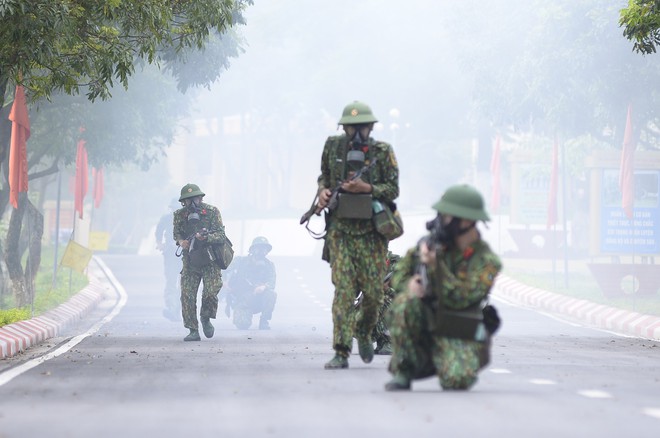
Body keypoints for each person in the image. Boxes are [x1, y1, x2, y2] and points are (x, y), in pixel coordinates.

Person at [385, 184, 502, 391]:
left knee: (456, 381)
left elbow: (461, 297)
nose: (441, 221)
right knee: (404, 303)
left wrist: (435, 266)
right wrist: (409, 285)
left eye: (446, 216)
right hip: (425, 321)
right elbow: (400, 273)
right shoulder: (432, 245)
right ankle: (405, 369)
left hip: (457, 328)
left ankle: (445, 360)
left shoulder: (486, 261)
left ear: (465, 220)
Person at [316, 101, 400, 369]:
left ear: (370, 127)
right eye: (350, 128)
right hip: (341, 232)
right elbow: (324, 177)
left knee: (375, 293)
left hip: (372, 234)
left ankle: (364, 331)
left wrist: (368, 187)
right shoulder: (332, 147)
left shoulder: (382, 152)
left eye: (361, 127)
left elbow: (393, 189)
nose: (355, 132)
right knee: (343, 291)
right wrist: (323, 192)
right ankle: (341, 351)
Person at [173, 183, 227, 342]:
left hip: (210, 260)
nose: (192, 203)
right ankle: (192, 329)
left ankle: (205, 317)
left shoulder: (212, 212)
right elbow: (176, 234)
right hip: (190, 261)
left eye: (195, 198)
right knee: (187, 295)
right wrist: (182, 241)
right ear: (184, 202)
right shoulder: (179, 215)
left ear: (201, 198)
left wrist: (206, 238)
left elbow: (221, 236)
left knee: (210, 292)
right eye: (188, 200)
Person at [224, 236, 277, 330]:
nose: (261, 251)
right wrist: (225, 282)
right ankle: (242, 314)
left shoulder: (269, 265)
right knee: (242, 325)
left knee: (271, 294)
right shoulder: (240, 261)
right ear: (252, 250)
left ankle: (264, 321)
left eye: (264, 248)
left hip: (259, 297)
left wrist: (263, 287)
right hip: (242, 299)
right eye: (258, 248)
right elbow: (225, 270)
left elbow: (272, 282)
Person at [155, 199, 182, 321]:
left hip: (185, 255)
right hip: (170, 254)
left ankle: (180, 310)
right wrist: (160, 243)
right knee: (171, 281)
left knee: (184, 284)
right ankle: (172, 308)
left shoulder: (189, 218)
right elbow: (159, 231)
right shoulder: (166, 218)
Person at [373, 251, 400, 355]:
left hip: (394, 303)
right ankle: (380, 341)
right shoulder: (366, 263)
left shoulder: (397, 264)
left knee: (384, 300)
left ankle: (389, 342)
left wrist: (387, 289)